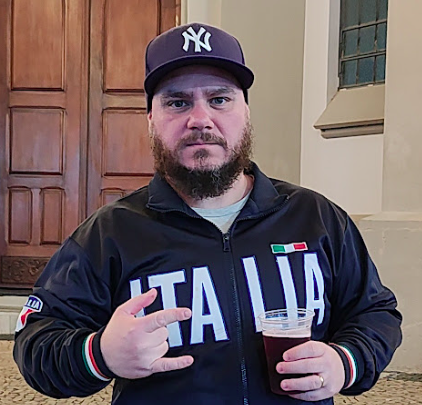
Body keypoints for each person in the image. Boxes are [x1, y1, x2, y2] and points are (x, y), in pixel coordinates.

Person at [13, 22, 402, 405]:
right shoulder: (109, 233)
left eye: (219, 99)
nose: (200, 119)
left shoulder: (314, 217)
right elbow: (36, 341)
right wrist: (100, 354)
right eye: (177, 102)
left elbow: (375, 312)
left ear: (245, 112)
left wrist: (344, 362)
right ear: (150, 119)